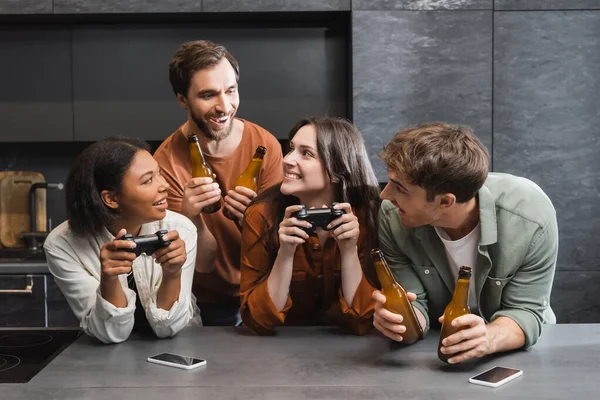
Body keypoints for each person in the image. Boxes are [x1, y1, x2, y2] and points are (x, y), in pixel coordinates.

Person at [373, 122, 558, 363]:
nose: (384, 195)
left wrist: (489, 337)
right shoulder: (393, 216)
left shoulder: (530, 217)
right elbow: (416, 306)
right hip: (434, 351)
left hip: (520, 353)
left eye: (399, 188)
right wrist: (398, 320)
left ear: (445, 202)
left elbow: (525, 311)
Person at [154, 40, 283, 326]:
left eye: (231, 91)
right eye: (208, 95)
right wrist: (190, 218)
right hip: (205, 303)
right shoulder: (166, 163)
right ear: (182, 99)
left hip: (263, 289)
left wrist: (253, 220)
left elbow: (279, 245)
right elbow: (201, 263)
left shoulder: (265, 146)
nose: (224, 106)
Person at [45, 137, 199, 344]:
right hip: (106, 356)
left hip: (182, 343)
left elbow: (168, 328)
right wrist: (109, 278)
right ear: (111, 199)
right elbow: (110, 334)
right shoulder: (62, 245)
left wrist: (172, 273)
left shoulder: (180, 229)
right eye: (148, 180)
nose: (165, 186)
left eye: (159, 174)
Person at [240, 116, 381, 335]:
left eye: (306, 153)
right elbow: (258, 320)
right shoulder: (261, 214)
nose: (287, 160)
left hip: (350, 352)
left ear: (337, 171)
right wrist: (285, 253)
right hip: (280, 349)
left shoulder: (368, 216)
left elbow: (363, 320)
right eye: (291, 149)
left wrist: (348, 250)